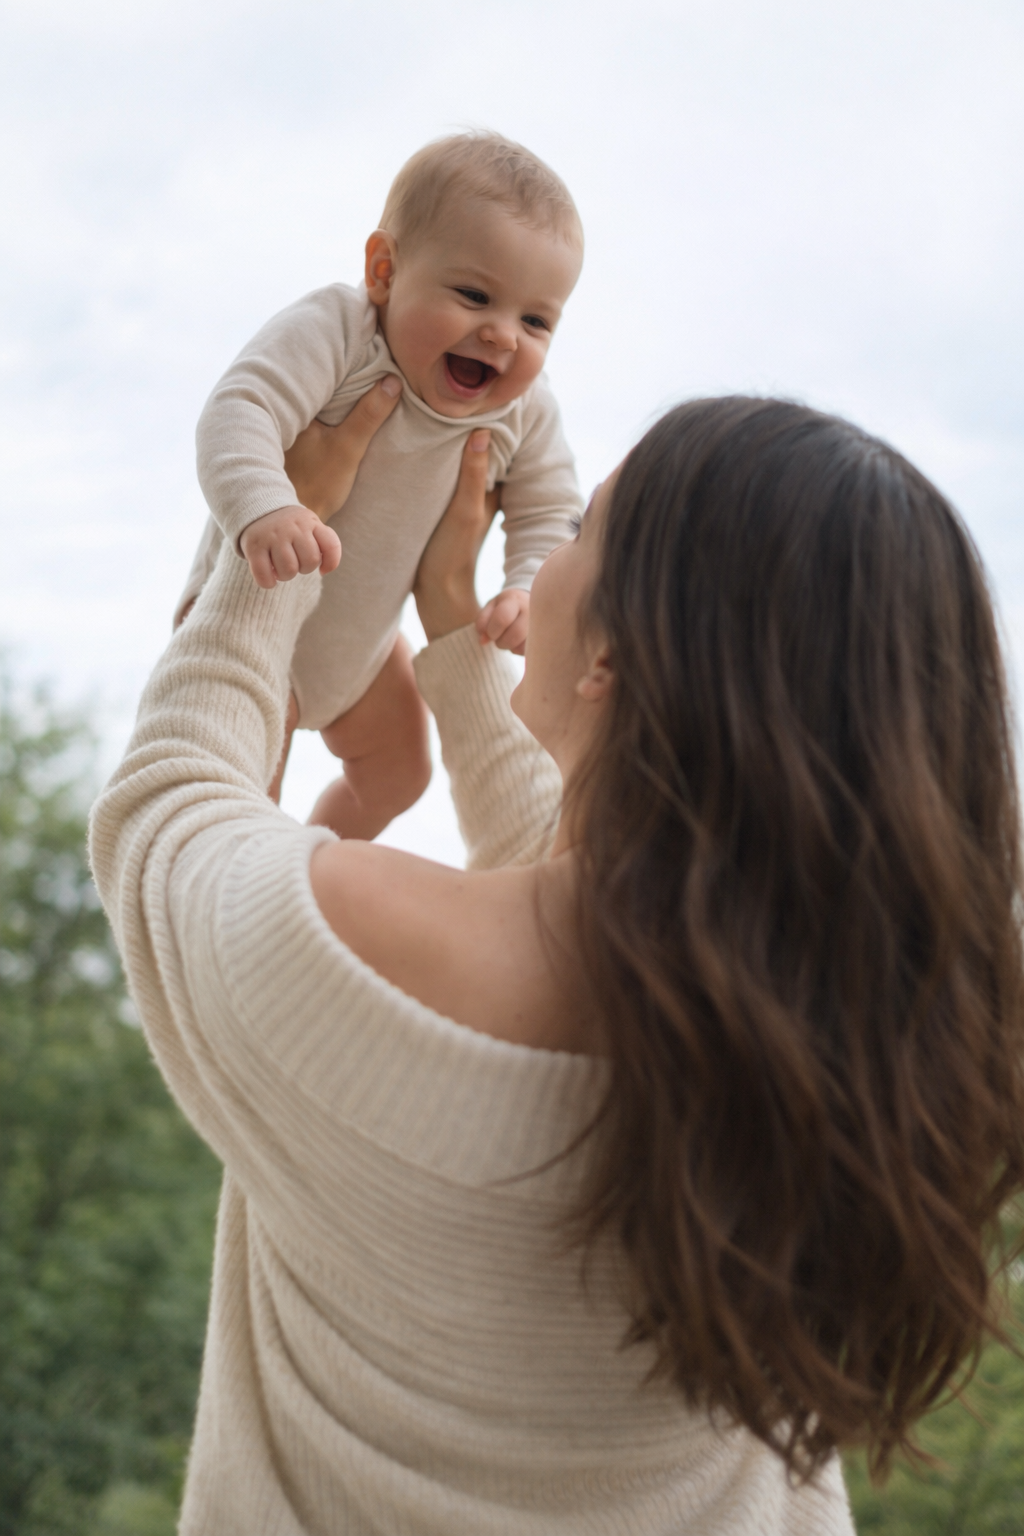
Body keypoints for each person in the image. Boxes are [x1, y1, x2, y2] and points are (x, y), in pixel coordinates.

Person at [90, 382, 1024, 1534]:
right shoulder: (871, 1063)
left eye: (579, 528)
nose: (553, 545)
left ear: (615, 655)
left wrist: (279, 522)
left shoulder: (356, 941)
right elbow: (603, 881)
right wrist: (449, 621)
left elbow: (165, 806)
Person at [177, 129, 584, 839]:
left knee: (401, 773)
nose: (502, 335)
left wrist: (525, 588)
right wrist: (267, 507)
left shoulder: (525, 407)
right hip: (257, 612)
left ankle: (325, 865)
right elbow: (239, 410)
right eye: (473, 294)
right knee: (242, 803)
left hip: (363, 649)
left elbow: (550, 507)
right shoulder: (340, 333)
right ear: (384, 270)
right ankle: (262, 886)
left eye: (535, 320)